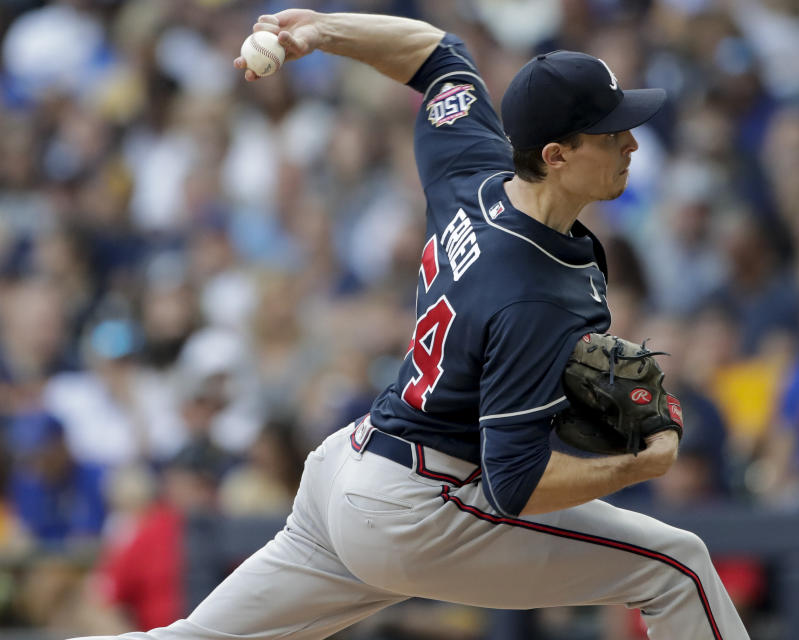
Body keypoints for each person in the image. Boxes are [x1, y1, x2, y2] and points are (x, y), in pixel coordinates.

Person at [72, 9, 748, 640]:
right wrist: (639, 463)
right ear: (555, 156)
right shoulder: (535, 293)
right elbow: (516, 486)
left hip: (351, 472)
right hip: (422, 506)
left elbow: (437, 54)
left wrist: (324, 29)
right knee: (677, 564)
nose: (632, 141)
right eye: (609, 133)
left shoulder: (476, 170)